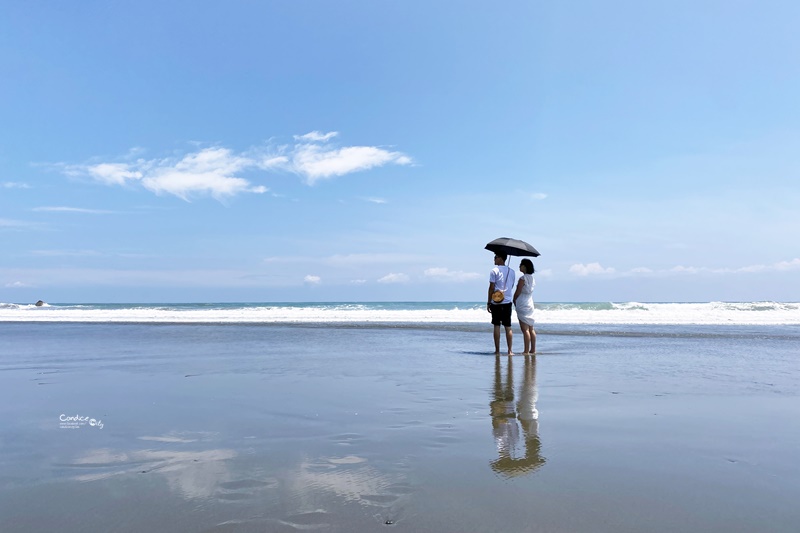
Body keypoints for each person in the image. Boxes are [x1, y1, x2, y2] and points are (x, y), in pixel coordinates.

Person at [487, 253, 515, 355]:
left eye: (495, 257)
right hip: (507, 301)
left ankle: (497, 350)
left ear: (501, 258)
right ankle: (510, 350)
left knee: (496, 325)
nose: (494, 259)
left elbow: (491, 288)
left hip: (496, 301)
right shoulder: (512, 271)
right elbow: (511, 286)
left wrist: (489, 302)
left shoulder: (494, 271)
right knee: (508, 326)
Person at [512, 258, 537, 355]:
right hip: (530, 302)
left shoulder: (522, 278)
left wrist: (514, 299)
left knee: (524, 329)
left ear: (525, 267)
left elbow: (518, 292)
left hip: (522, 302)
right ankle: (533, 349)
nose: (519, 266)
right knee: (531, 328)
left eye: (521, 265)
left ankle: (526, 350)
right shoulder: (532, 278)